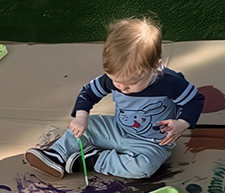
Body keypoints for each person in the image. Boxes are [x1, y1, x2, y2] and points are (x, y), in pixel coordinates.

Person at [25, 18, 205, 180]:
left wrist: (182, 123)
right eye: (116, 81)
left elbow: (194, 100)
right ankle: (57, 154)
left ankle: (92, 160)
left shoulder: (169, 82)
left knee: (144, 168)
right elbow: (88, 93)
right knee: (88, 126)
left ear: (155, 67)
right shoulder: (114, 79)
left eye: (131, 83)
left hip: (152, 142)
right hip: (117, 129)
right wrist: (81, 117)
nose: (122, 88)